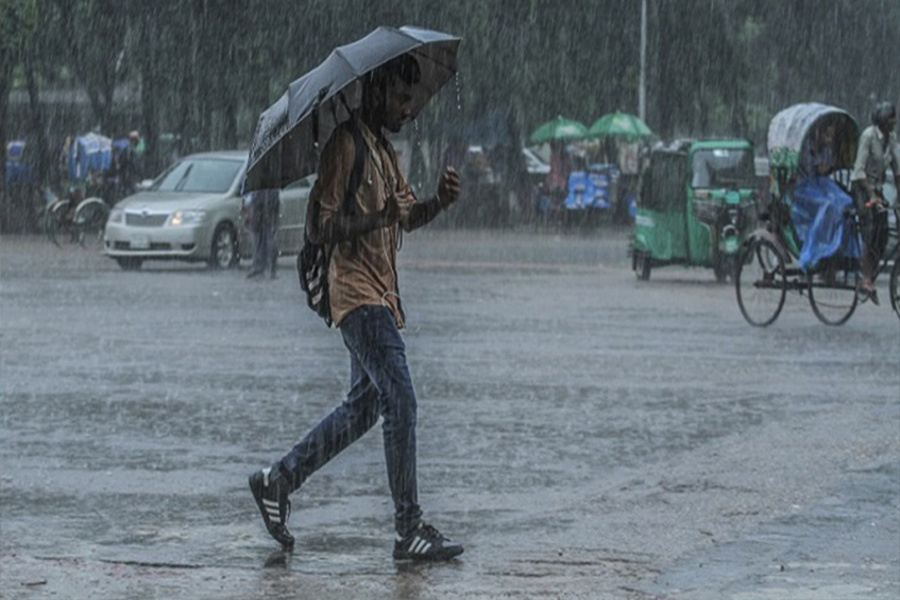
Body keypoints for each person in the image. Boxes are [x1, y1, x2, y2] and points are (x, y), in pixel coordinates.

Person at [248, 54, 464, 561]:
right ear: (376, 91)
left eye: (411, 101)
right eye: (400, 98)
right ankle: (408, 528)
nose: (408, 109)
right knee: (402, 402)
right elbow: (317, 229)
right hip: (357, 297)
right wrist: (374, 219)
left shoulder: (385, 151)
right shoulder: (345, 145)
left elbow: (405, 218)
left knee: (365, 407)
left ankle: (278, 480)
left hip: (382, 296)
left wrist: (439, 202)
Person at [851, 102, 899, 303]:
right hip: (862, 188)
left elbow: (896, 169)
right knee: (871, 228)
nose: (893, 121)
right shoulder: (868, 136)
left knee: (884, 233)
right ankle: (865, 278)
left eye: (894, 117)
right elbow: (859, 170)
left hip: (877, 190)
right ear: (881, 120)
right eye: (890, 118)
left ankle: (869, 276)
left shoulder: (893, 138)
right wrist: (871, 194)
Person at [246, 188, 280, 279]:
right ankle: (261, 266)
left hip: (266, 208)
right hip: (261, 208)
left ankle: (269, 267)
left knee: (268, 238)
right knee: (260, 238)